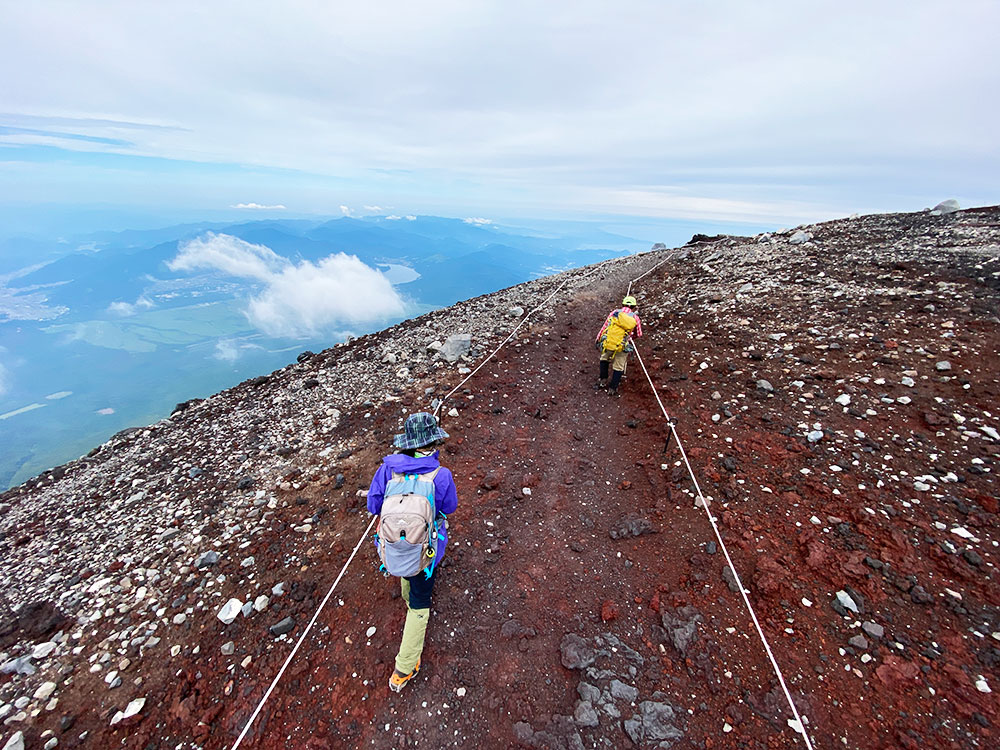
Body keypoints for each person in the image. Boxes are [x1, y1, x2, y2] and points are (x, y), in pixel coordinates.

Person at [367, 412, 458, 692]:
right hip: (426, 552)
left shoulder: (387, 469)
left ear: (406, 443)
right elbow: (449, 508)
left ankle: (406, 593)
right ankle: (405, 667)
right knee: (421, 603)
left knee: (404, 562)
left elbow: (373, 506)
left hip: (392, 546)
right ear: (432, 442)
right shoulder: (441, 475)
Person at [595, 295, 643, 397]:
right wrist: (629, 338)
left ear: (623, 304)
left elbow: (605, 327)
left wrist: (598, 338)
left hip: (609, 341)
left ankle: (603, 380)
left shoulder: (614, 313)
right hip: (622, 345)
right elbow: (639, 334)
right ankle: (613, 388)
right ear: (634, 307)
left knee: (604, 358)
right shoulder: (635, 318)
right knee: (619, 366)